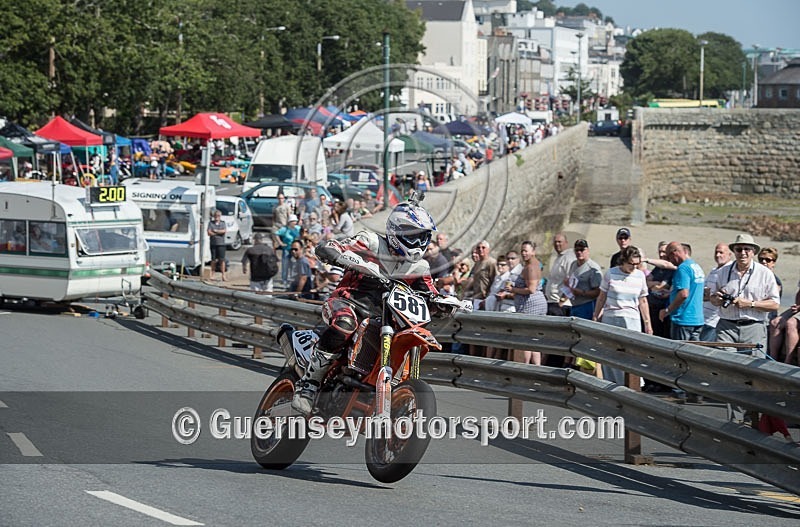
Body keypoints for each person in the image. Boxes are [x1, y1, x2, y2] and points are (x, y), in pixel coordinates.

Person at [291, 196, 443, 415]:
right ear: (397, 231)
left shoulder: (420, 267)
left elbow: (431, 292)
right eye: (413, 236)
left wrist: (442, 303)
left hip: (385, 318)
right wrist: (336, 253)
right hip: (347, 302)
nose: (418, 243)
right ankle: (309, 384)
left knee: (408, 337)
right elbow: (335, 246)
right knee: (345, 323)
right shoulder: (371, 241)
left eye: (423, 237)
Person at [710, 234, 780, 424]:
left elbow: (774, 304)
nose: (743, 253)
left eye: (747, 249)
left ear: (753, 252)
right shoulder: (723, 272)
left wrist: (750, 304)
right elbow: (712, 298)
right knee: (730, 373)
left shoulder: (765, 273)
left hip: (754, 327)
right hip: (727, 327)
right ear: (733, 251)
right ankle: (735, 421)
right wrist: (717, 298)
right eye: (739, 249)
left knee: (753, 375)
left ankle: (752, 418)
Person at [593, 246, 652, 384]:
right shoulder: (610, 273)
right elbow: (602, 297)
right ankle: (611, 383)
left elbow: (643, 300)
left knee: (632, 353)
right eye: (631, 264)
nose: (634, 267)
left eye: (637, 264)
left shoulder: (640, 275)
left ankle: (633, 384)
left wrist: (647, 323)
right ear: (623, 261)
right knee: (610, 352)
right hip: (612, 316)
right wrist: (596, 315)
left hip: (632, 319)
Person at [506, 241, 548, 365]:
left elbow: (531, 289)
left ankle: (523, 367)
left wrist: (513, 289)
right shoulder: (533, 264)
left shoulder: (531, 267)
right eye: (522, 251)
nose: (524, 253)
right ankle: (536, 368)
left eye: (526, 251)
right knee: (532, 339)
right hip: (533, 304)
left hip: (531, 306)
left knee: (525, 339)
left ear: (533, 251)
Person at [659, 242, 705, 341]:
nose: (670, 261)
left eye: (669, 257)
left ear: (674, 253)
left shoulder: (683, 268)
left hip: (683, 319)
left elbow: (683, 294)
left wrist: (667, 310)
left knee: (680, 350)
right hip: (697, 319)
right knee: (694, 350)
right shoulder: (696, 266)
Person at [700, 243, 733, 342]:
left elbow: (724, 296)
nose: (718, 255)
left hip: (714, 321)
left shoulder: (729, 272)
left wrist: (710, 296)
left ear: (729, 254)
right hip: (704, 317)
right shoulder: (714, 270)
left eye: (721, 252)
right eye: (716, 252)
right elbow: (704, 291)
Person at [564, 239, 602, 320]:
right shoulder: (573, 264)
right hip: (573, 305)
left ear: (587, 250)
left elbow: (598, 292)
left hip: (587, 305)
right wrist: (568, 284)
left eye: (582, 250)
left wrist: (582, 292)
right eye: (577, 250)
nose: (579, 252)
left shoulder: (592, 268)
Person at [545, 232, 576, 316]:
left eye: (559, 242)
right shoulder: (559, 257)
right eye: (555, 242)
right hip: (552, 302)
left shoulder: (569, 258)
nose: (557, 244)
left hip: (561, 304)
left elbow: (572, 280)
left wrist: (563, 300)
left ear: (566, 243)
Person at [274, 214, 302, 288]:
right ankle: (284, 280)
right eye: (293, 221)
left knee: (294, 264)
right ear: (290, 222)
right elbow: (276, 234)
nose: (295, 223)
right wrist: (280, 243)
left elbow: (303, 234)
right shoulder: (284, 229)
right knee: (285, 265)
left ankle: (292, 280)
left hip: (295, 250)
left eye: (295, 221)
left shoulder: (298, 228)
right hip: (286, 249)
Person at [207, 209, 227, 281]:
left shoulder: (223, 223)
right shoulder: (211, 223)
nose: (217, 217)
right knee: (213, 260)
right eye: (215, 216)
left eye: (218, 216)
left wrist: (216, 231)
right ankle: (212, 274)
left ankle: (223, 275)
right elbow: (209, 232)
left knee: (222, 260)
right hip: (213, 244)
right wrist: (218, 233)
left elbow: (224, 231)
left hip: (221, 244)